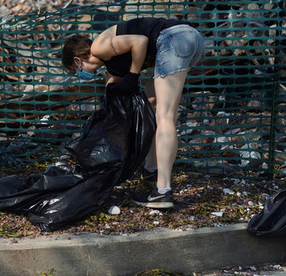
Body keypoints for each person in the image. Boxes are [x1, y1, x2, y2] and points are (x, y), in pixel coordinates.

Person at [60, 17, 205, 210]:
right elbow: (113, 90)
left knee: (166, 116)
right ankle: (151, 169)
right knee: (151, 105)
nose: (79, 74)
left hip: (175, 39)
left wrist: (133, 75)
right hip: (191, 40)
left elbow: (140, 41)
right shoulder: (111, 63)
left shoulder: (98, 47)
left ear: (77, 60)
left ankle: (162, 191)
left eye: (75, 70)